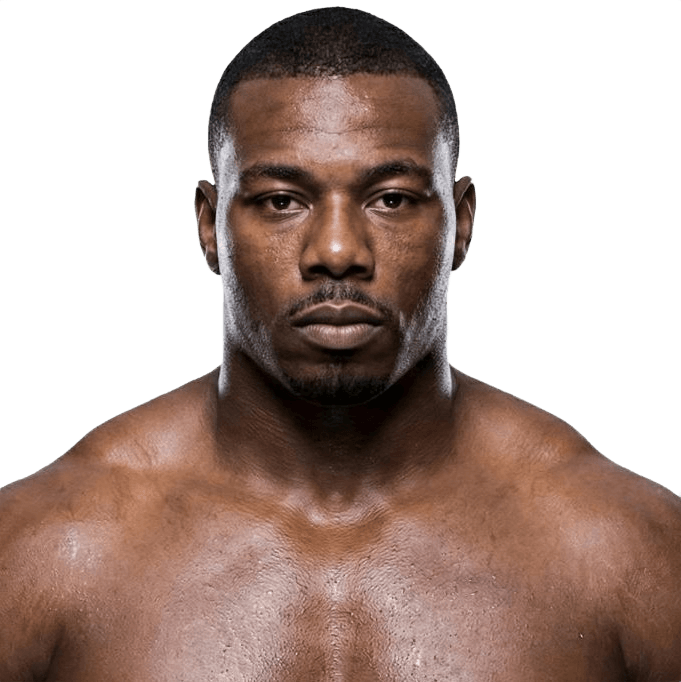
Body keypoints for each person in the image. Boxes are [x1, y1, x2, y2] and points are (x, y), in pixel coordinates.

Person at [1, 6, 680, 680]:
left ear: (461, 223)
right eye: (280, 200)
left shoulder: (625, 553)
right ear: (209, 228)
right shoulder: (46, 552)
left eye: (391, 199)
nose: (335, 251)